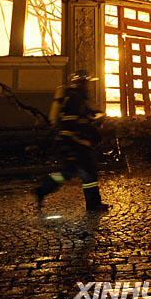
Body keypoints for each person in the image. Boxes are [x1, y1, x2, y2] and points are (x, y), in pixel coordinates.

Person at [35, 70, 109, 212]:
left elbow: (84, 116)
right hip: (76, 144)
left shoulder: (75, 97)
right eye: (87, 83)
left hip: (72, 143)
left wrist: (96, 115)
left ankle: (43, 189)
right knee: (89, 174)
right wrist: (78, 142)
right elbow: (70, 123)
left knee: (67, 173)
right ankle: (93, 205)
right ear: (82, 83)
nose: (89, 86)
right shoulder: (75, 99)